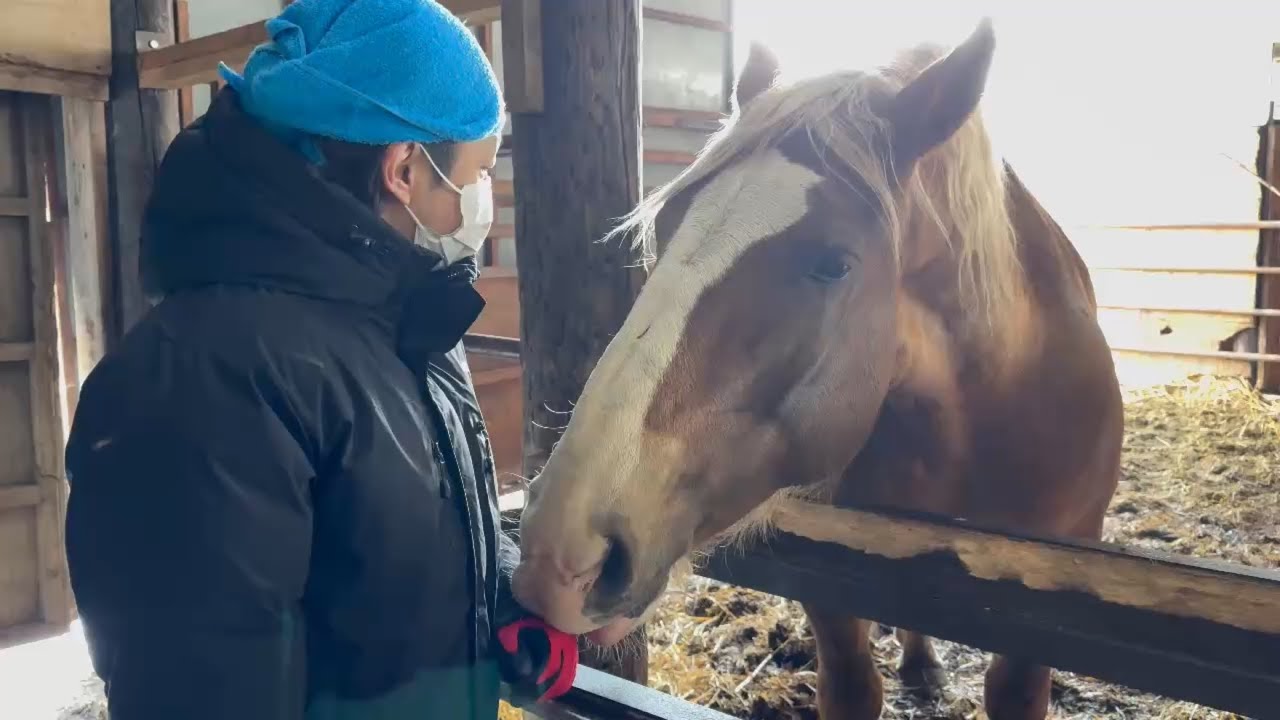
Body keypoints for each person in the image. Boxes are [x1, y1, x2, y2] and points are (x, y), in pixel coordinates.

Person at [62, 1, 578, 717]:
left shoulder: (407, 324)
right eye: (479, 172)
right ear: (403, 169)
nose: (481, 201)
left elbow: (391, 545)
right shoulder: (203, 381)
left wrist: (499, 603)